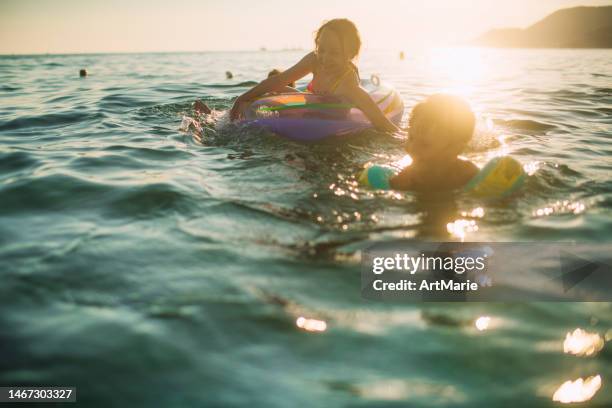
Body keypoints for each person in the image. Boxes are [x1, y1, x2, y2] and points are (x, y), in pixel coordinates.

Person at [229, 19, 400, 133]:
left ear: (350, 53)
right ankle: (224, 115)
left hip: (330, 122)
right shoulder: (314, 60)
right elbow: (280, 80)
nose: (325, 58)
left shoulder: (348, 85)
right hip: (310, 102)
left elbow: (381, 122)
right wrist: (242, 97)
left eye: (334, 52)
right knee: (270, 89)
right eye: (322, 49)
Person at [389, 94, 479, 191]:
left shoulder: (467, 173)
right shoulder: (406, 178)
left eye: (425, 145)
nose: (412, 148)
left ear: (455, 149)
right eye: (411, 138)